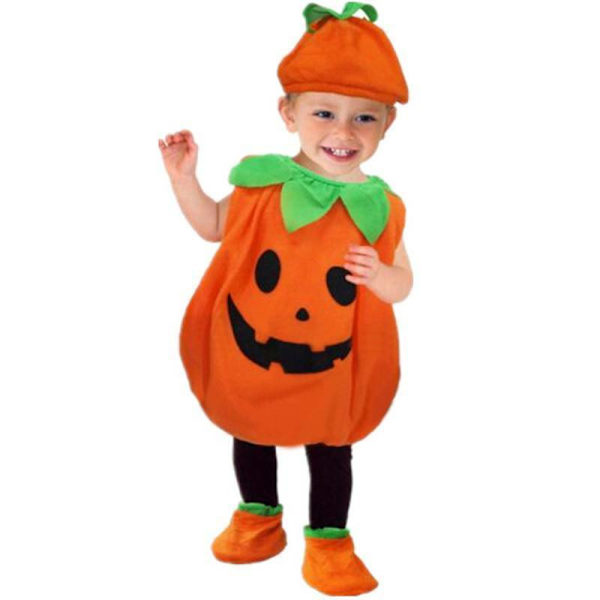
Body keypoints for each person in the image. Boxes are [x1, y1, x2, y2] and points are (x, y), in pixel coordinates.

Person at [158, 2, 413, 595]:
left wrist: (379, 274)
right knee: (251, 429)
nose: (343, 133)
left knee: (331, 450)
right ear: (288, 112)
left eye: (364, 118)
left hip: (333, 364)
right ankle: (258, 518)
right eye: (324, 113)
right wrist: (184, 180)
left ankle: (329, 542)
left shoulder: (381, 208)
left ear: (387, 125)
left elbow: (403, 284)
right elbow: (214, 226)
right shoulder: (261, 186)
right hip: (255, 348)